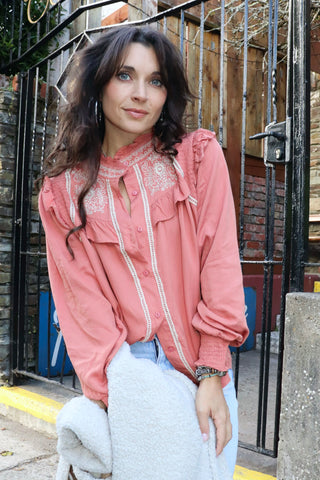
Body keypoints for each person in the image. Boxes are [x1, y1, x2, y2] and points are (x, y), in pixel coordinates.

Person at [38, 25, 249, 477]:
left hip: (204, 377)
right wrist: (116, 397)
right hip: (127, 382)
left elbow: (220, 266)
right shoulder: (63, 193)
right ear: (100, 83)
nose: (140, 94)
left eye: (155, 81)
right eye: (125, 76)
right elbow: (83, 305)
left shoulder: (196, 160)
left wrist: (212, 374)